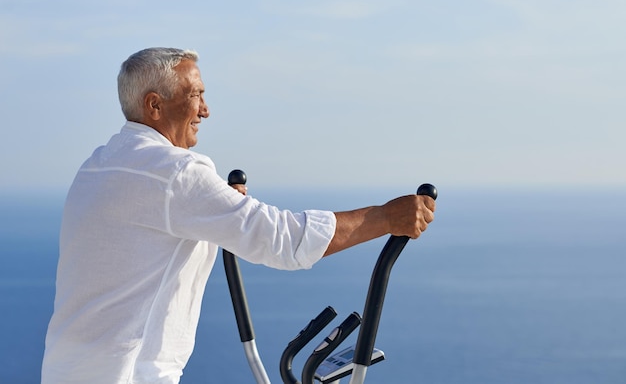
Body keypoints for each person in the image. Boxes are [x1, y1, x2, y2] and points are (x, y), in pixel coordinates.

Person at [41, 47, 435, 384]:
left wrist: (222, 208)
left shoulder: (97, 166)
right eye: (195, 95)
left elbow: (149, 231)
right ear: (154, 104)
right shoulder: (176, 173)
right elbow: (284, 241)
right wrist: (387, 217)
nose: (206, 110)